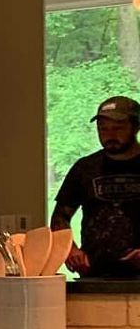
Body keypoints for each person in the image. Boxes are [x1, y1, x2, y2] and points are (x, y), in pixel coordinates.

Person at [53, 96, 140, 276]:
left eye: (118, 128)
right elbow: (59, 219)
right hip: (94, 276)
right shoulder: (85, 168)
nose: (110, 135)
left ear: (135, 127)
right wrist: (71, 250)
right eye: (103, 129)